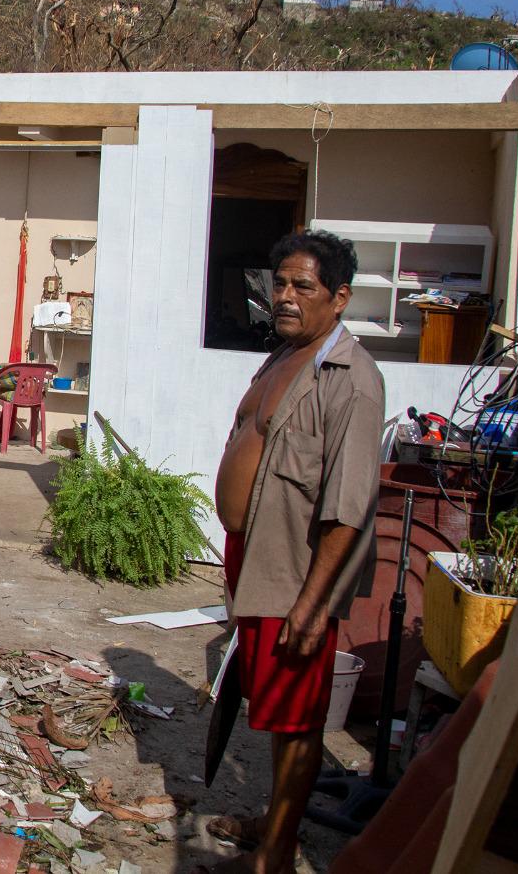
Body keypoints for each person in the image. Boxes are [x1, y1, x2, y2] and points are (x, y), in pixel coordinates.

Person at [204, 230, 385, 874]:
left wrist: (315, 604)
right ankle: (273, 820)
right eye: (279, 283)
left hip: (295, 574)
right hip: (253, 555)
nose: (284, 296)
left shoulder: (352, 380)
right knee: (276, 709)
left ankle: (278, 851)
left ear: (338, 298)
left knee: (300, 716)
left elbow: (349, 504)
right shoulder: (282, 354)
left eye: (302, 286)